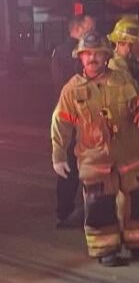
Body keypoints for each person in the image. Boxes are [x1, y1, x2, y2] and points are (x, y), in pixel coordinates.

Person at [50, 31, 139, 266]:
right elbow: (61, 123)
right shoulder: (72, 90)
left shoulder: (122, 80)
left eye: (96, 54)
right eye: (86, 54)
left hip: (131, 157)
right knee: (100, 208)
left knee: (138, 203)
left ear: (106, 56)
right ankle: (105, 250)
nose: (91, 58)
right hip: (95, 161)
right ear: (80, 58)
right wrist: (58, 155)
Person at [49, 15, 94, 228]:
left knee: (75, 166)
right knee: (73, 166)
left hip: (74, 116)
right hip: (75, 117)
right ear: (77, 28)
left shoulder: (59, 51)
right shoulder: (73, 53)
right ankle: (67, 211)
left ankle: (66, 210)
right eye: (89, 27)